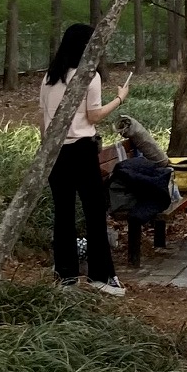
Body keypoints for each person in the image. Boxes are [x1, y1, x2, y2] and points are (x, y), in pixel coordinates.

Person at [40, 23, 128, 295]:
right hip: (82, 150)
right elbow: (94, 115)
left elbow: (43, 119)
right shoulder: (89, 76)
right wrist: (119, 99)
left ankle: (65, 276)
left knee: (63, 213)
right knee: (94, 212)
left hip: (55, 152)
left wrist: (46, 150)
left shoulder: (49, 77)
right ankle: (101, 276)